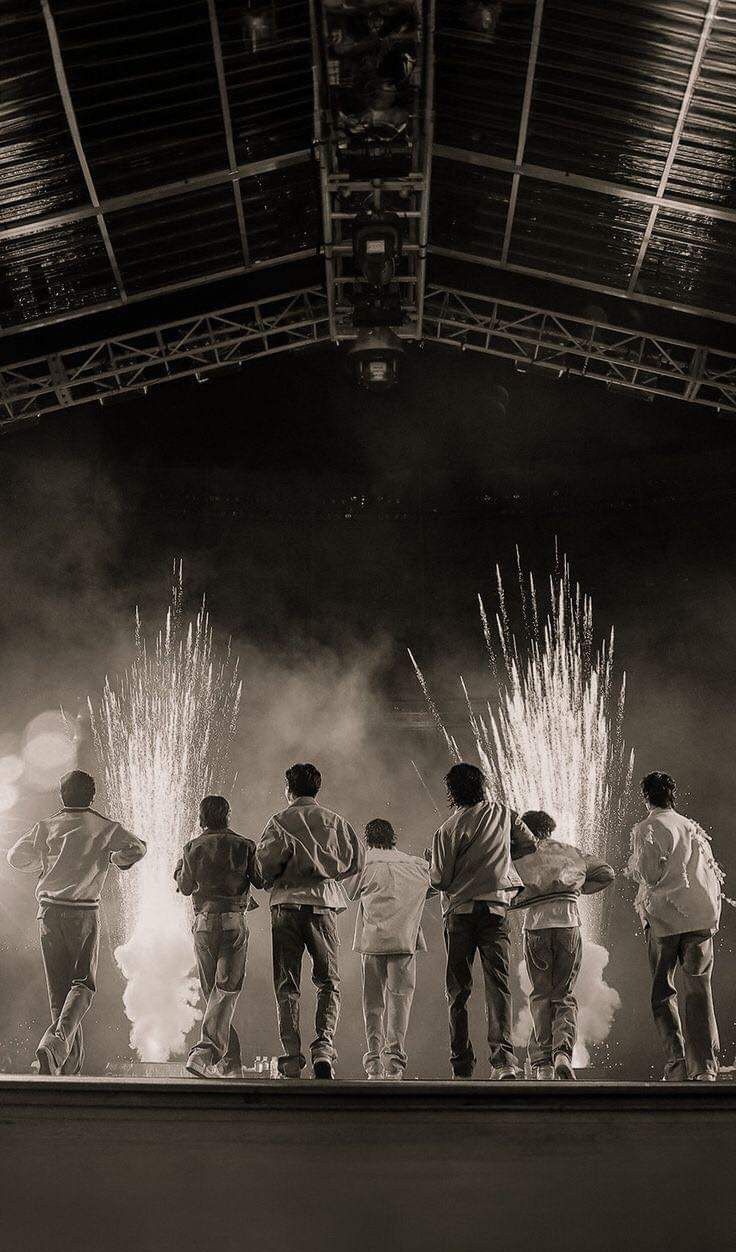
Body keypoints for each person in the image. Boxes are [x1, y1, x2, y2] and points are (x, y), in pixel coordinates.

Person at [7, 769, 146, 1076]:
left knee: (59, 992)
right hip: (83, 912)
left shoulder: (46, 825)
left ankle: (65, 1066)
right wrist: (113, 860)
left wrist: (44, 866)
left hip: (48, 913)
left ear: (62, 795)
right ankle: (55, 1045)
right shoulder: (105, 827)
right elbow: (137, 847)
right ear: (91, 796)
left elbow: (15, 857)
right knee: (83, 985)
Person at [255, 763, 364, 1080]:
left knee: (287, 983)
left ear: (288, 788)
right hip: (323, 905)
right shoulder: (335, 821)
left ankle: (291, 1057)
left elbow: (264, 866)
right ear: (317, 789)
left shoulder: (279, 821)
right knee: (328, 982)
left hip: (286, 906)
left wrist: (275, 878)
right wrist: (329, 875)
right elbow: (356, 862)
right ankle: (323, 1050)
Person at [428, 762, 536, 1080]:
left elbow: (439, 880)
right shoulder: (503, 813)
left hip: (459, 913)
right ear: (482, 785)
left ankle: (461, 1064)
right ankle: (503, 1061)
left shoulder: (447, 829)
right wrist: (501, 856)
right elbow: (530, 844)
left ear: (452, 793)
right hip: (496, 910)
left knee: (458, 990)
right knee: (498, 986)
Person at [626, 771, 722, 1082]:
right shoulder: (692, 827)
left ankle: (677, 1062)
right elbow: (710, 875)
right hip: (699, 918)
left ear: (646, 797)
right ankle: (705, 1067)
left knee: (662, 992)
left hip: (664, 920)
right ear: (673, 795)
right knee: (698, 990)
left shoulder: (647, 827)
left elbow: (648, 874)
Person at [513, 810, 615, 1081]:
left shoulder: (522, 856)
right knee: (564, 995)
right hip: (568, 926)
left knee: (540, 994)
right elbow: (607, 873)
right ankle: (562, 1054)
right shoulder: (570, 852)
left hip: (536, 929)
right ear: (549, 830)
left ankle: (542, 1063)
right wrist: (575, 889)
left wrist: (528, 898)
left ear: (527, 831)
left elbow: (507, 890)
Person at [174, 794, 258, 1080]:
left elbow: (185, 887)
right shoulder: (245, 845)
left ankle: (227, 1061)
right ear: (228, 816)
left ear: (201, 819)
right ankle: (206, 1053)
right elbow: (261, 880)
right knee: (226, 989)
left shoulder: (192, 847)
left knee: (214, 994)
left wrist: (178, 871)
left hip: (204, 923)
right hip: (234, 921)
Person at [347, 818, 431, 1080]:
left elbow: (350, 893)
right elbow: (435, 887)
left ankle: (373, 1061)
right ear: (393, 837)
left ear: (367, 839)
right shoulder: (415, 865)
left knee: (373, 1004)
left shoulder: (364, 863)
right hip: (404, 943)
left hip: (372, 943)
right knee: (400, 1003)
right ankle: (394, 1063)